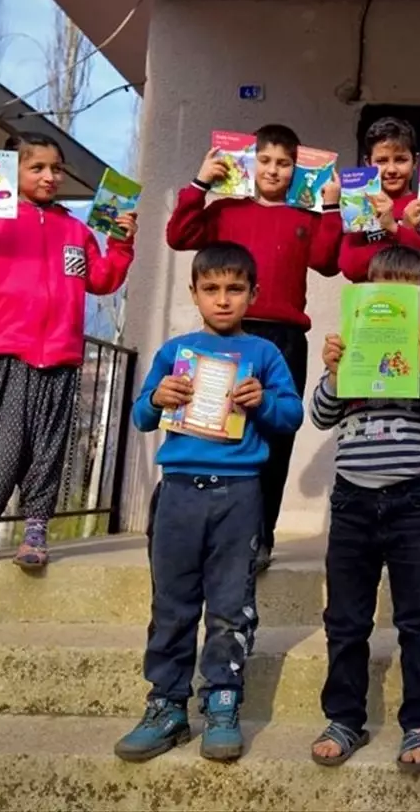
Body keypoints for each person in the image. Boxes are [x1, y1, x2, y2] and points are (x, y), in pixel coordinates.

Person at [114, 241, 304, 764]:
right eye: (212, 289)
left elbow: (291, 417)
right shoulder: (175, 353)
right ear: (194, 293)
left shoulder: (265, 355)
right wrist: (157, 398)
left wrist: (262, 401)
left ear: (254, 295)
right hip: (177, 493)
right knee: (171, 606)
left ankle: (223, 702)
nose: (223, 300)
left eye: (235, 289)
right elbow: (140, 416)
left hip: (239, 495)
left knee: (229, 606)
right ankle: (167, 705)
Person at [0, 132, 136, 575]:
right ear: (13, 170)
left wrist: (122, 245)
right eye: (38, 167)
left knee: (49, 447)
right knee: (1, 443)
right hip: (7, 350)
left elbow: (102, 280)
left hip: (62, 356)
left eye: (57, 168)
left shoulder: (75, 228)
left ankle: (36, 531)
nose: (51, 176)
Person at [309, 245, 420, 773]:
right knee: (346, 619)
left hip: (413, 499)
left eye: (405, 294)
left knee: (419, 618)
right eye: (379, 291)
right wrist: (332, 371)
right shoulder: (348, 345)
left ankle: (418, 721)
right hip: (352, 499)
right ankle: (344, 717)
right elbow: (321, 417)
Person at [166, 123, 342, 572]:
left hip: (283, 340)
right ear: (250, 162)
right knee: (214, 427)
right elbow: (179, 236)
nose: (273, 170)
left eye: (284, 163)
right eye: (265, 160)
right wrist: (199, 183)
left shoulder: (307, 216)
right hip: (227, 337)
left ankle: (259, 539)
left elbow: (325, 261)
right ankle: (206, 530)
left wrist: (333, 206)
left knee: (276, 436)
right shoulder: (225, 209)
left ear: (296, 169)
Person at [337, 117, 420, 337]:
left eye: (400, 159)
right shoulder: (358, 206)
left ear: (415, 161)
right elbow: (350, 266)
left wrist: (398, 229)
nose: (391, 169)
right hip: (370, 317)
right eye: (381, 160)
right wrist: (402, 232)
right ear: (367, 162)